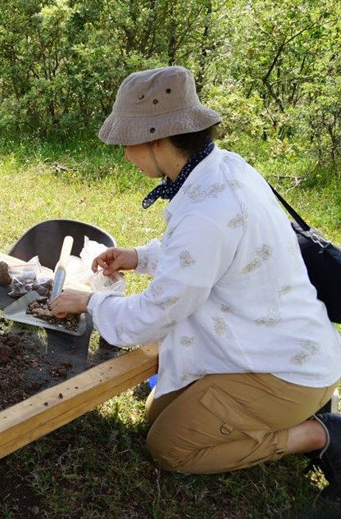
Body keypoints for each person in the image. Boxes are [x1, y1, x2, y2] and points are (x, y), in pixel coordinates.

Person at [50, 66, 341, 495]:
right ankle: (276, 416)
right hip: (264, 348)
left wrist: (89, 303)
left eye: (127, 142)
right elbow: (207, 254)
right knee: (158, 410)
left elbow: (155, 313)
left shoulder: (209, 209)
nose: (126, 154)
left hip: (281, 371)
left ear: (155, 140)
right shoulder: (223, 167)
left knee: (169, 447)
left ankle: (315, 434)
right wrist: (139, 256)